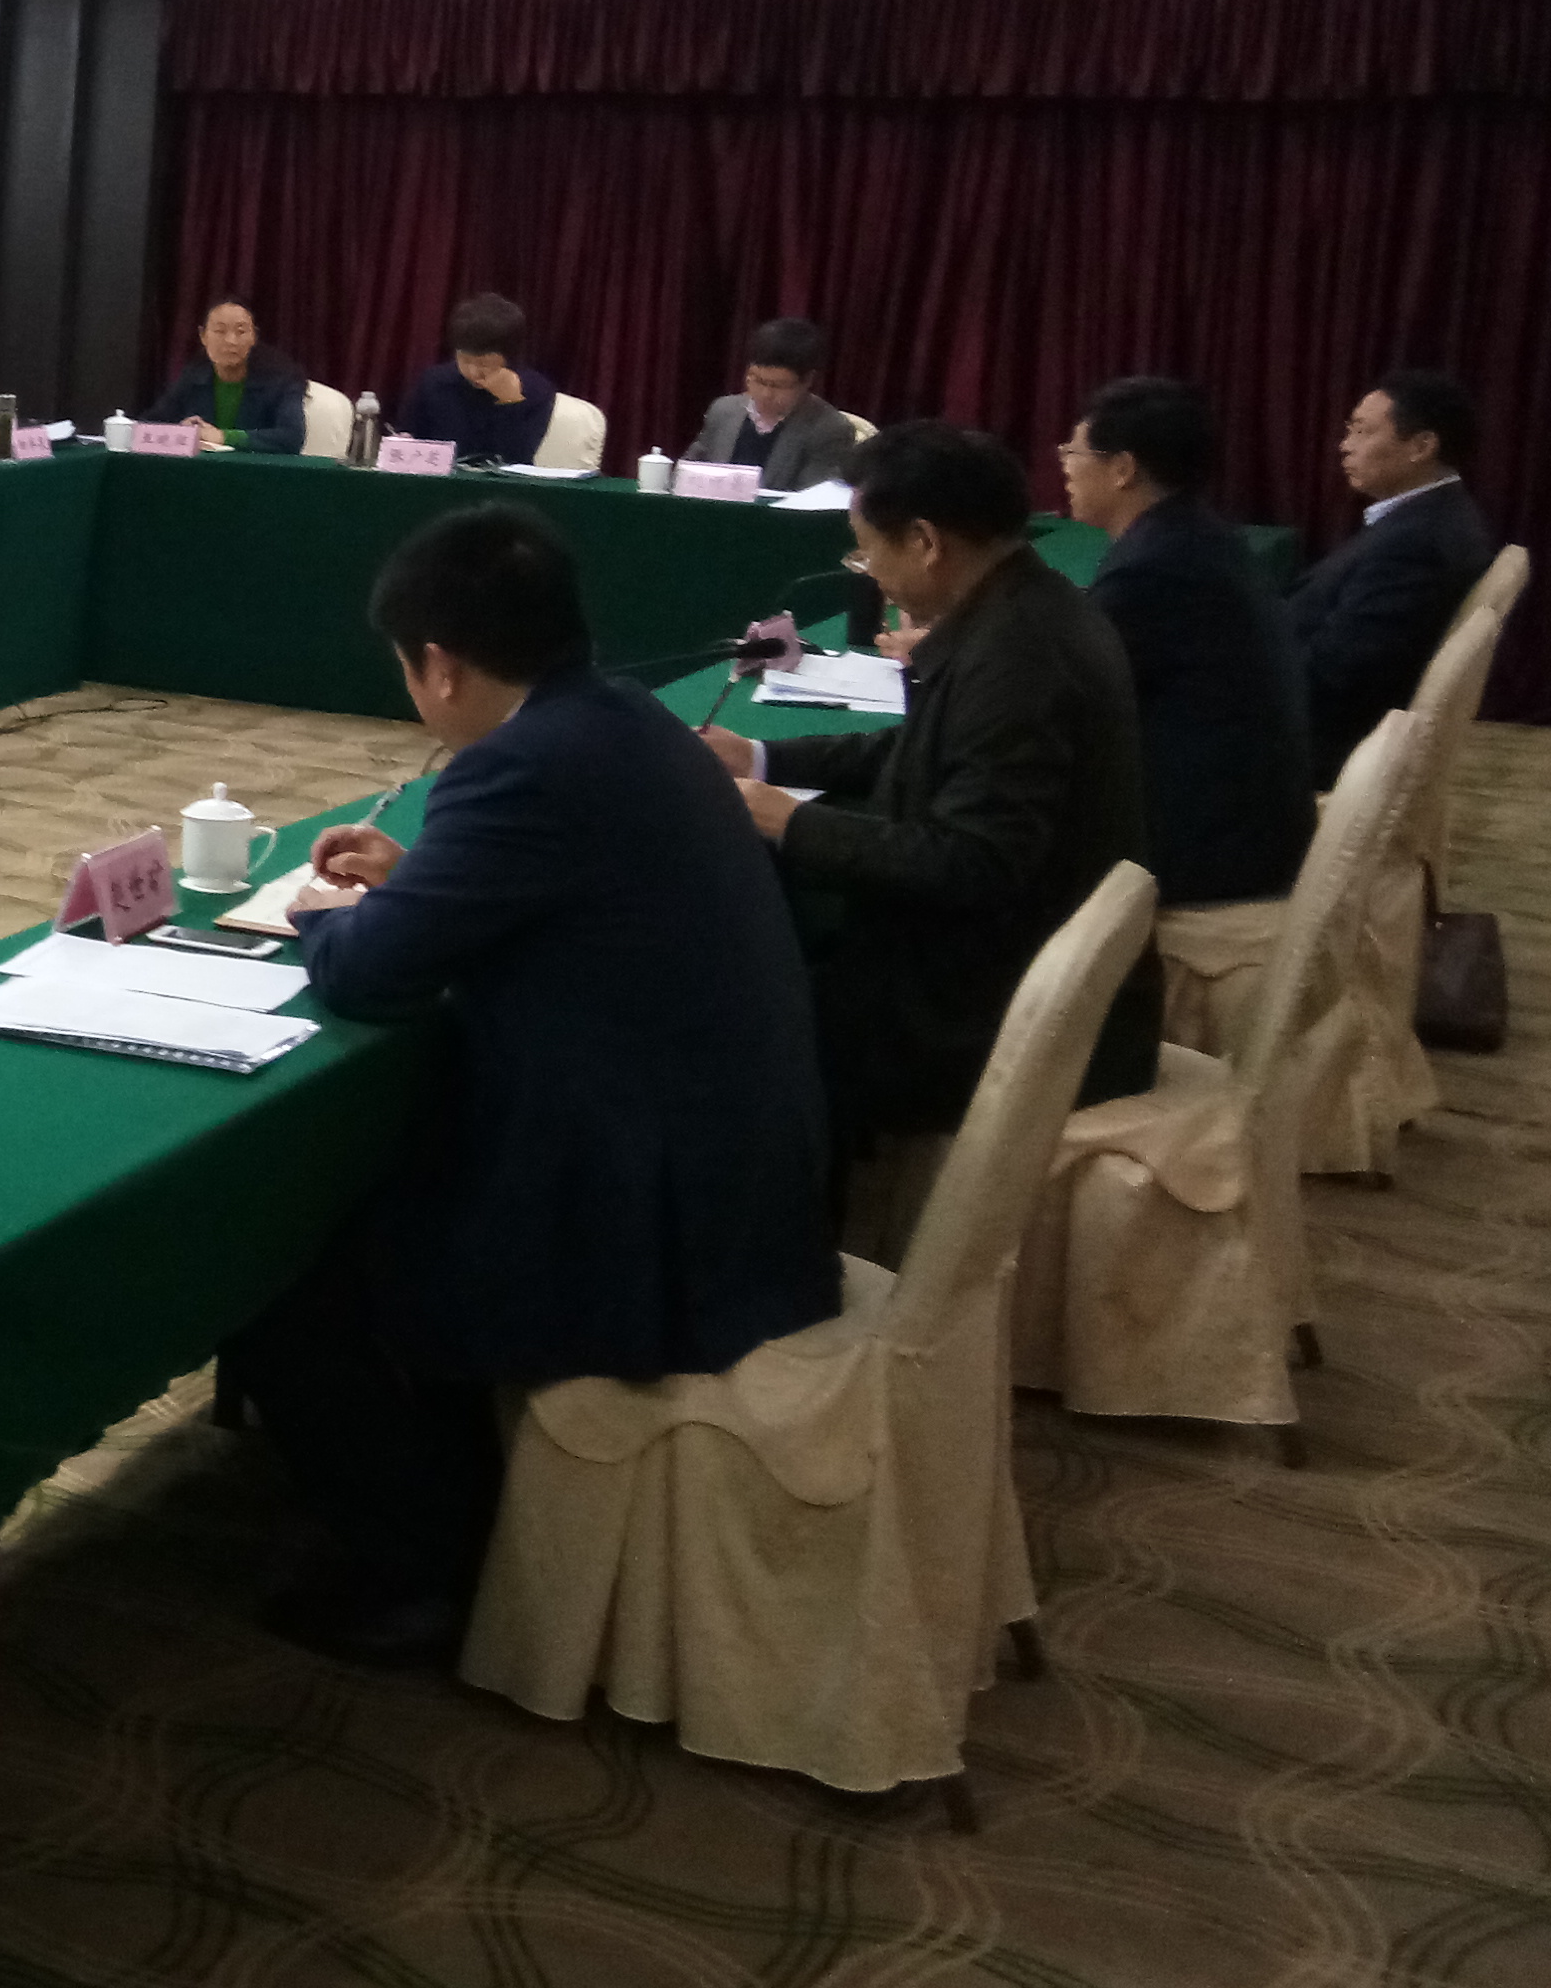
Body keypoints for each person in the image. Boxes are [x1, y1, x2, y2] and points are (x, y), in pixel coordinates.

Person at [235, 502, 834, 1668]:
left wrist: (322, 916)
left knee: (276, 1255)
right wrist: (420, 882)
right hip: (740, 1175)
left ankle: (414, 1566)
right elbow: (556, 900)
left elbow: (367, 974)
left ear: (439, 666)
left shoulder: (516, 770)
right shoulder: (623, 722)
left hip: (649, 1225)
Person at [702, 422, 1161, 1248]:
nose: (869, 572)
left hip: (991, 1009)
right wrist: (761, 757)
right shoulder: (1023, 606)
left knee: (734, 1019)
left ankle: (783, 1263)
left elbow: (972, 863)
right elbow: (918, 749)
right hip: (998, 958)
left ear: (924, 542)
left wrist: (786, 820)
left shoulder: (1020, 656)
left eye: (867, 551)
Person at [1062, 377, 1313, 906]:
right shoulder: (1195, 535)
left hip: (1204, 853)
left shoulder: (1152, 569)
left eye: (1075, 452)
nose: (1064, 465)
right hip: (1254, 823)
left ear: (1123, 469)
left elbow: (1059, 694)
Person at [1289, 368, 1495, 772]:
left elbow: (1340, 674)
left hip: (1309, 742)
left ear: (1421, 446)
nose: (1344, 446)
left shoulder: (1418, 544)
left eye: (1362, 432)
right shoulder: (1429, 517)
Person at [690, 317, 863, 492]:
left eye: (779, 385)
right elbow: (688, 473)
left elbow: (813, 497)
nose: (766, 394)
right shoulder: (723, 410)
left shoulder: (829, 429)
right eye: (758, 380)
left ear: (807, 380)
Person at [392, 293, 558, 466]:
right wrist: (404, 441)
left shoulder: (536, 391)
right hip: (440, 479)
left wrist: (509, 401)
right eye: (465, 360)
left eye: (484, 364)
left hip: (505, 482)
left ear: (509, 358)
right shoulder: (434, 382)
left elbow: (518, 456)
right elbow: (408, 434)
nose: (473, 372)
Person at [150, 296, 307, 451]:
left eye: (241, 331)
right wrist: (181, 431)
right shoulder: (194, 377)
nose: (231, 340)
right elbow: (151, 424)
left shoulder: (282, 380)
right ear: (203, 336)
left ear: (254, 336)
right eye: (220, 331)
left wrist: (223, 436)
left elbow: (292, 437)